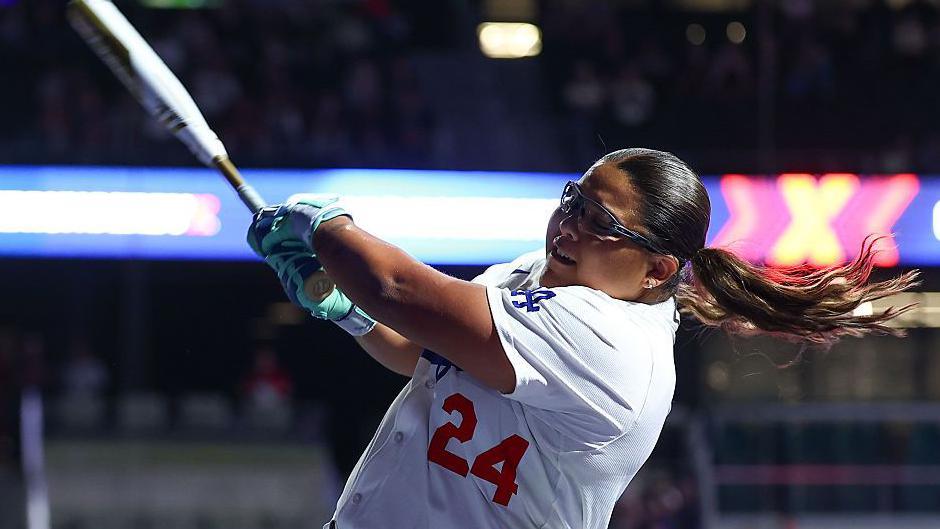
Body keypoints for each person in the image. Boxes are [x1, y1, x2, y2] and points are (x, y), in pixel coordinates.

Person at [247, 148, 918, 529]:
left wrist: (324, 221)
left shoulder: (614, 343)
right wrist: (344, 308)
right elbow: (426, 350)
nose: (567, 224)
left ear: (657, 269)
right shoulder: (541, 272)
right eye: (574, 199)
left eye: (599, 221)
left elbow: (398, 288)